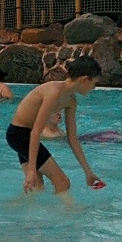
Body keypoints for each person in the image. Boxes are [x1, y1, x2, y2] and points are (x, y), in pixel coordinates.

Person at [6, 56, 104, 194]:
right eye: (94, 83)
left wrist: (88, 172)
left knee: (37, 187)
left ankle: (18, 207)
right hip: (19, 134)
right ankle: (69, 208)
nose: (94, 87)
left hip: (25, 137)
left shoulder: (71, 101)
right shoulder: (54, 92)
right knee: (62, 182)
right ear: (84, 79)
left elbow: (72, 139)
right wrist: (31, 170)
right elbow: (36, 131)